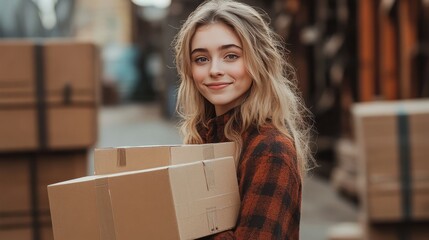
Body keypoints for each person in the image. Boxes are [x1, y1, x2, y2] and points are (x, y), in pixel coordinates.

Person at [173, 0, 314, 239]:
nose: (214, 69)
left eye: (231, 56)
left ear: (258, 61)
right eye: (201, 59)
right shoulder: (202, 139)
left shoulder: (271, 150)